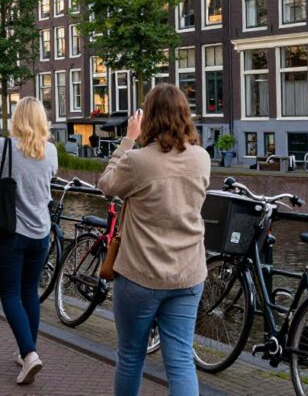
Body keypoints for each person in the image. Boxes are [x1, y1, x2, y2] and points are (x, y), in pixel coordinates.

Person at [97, 84, 210, 396]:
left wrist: (128, 140)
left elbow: (107, 184)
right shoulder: (201, 158)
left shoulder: (137, 161)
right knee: (181, 361)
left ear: (149, 118)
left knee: (131, 355)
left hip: (141, 276)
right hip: (187, 274)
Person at [0, 97, 58, 385]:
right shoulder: (51, 151)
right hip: (41, 233)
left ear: (17, 119)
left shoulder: (4, 147)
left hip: (10, 234)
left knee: (10, 295)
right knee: (29, 293)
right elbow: (48, 179)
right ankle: (28, 351)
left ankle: (29, 353)